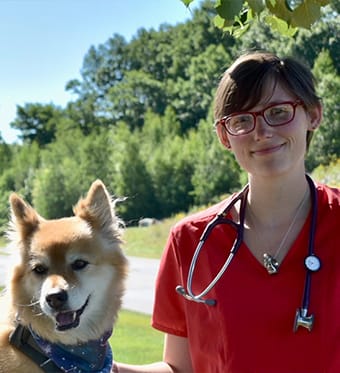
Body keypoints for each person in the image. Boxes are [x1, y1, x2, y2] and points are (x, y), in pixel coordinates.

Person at [113, 51, 340, 373]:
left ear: (313, 115)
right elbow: (179, 368)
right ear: (223, 136)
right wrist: (101, 367)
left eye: (278, 112)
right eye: (242, 120)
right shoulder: (191, 241)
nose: (261, 131)